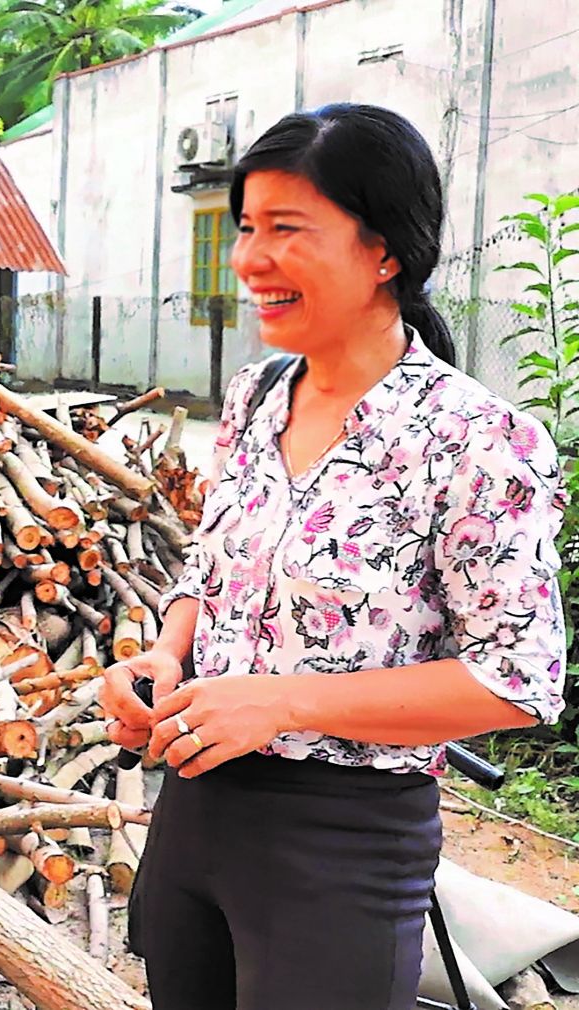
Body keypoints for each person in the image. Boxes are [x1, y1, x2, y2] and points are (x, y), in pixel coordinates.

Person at [101, 103, 566, 1010]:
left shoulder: (475, 439)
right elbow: (212, 570)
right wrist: (165, 655)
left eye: (286, 230)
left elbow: (518, 681)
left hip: (339, 843)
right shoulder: (254, 396)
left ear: (384, 249)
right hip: (196, 814)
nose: (249, 260)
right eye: (245, 229)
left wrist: (283, 702)